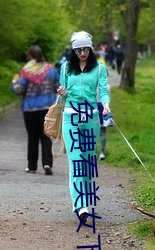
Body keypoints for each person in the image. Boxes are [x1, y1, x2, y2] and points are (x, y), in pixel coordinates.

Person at [57, 31, 110, 221]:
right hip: (70, 117)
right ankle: (80, 206)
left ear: (91, 48)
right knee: (76, 160)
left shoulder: (99, 68)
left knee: (87, 162)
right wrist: (62, 92)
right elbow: (63, 95)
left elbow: (103, 90)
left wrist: (105, 104)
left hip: (91, 118)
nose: (82, 53)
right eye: (78, 50)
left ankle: (85, 202)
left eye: (85, 49)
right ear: (73, 50)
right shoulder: (65, 68)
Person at [11, 45, 60, 175]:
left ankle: (32, 166)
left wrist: (14, 83)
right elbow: (58, 87)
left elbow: (19, 90)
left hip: (30, 109)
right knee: (46, 137)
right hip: (47, 109)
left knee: (32, 138)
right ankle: (47, 163)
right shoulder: (51, 70)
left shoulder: (26, 71)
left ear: (30, 57)